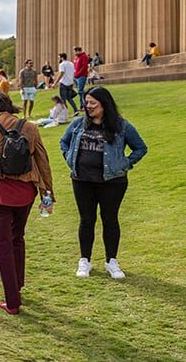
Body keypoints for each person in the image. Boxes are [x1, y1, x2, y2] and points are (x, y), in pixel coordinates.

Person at [0, 90, 53, 315]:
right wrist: (48, 192)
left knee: (3, 244)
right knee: (17, 238)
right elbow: (42, 159)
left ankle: (12, 301)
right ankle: (18, 285)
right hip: (26, 191)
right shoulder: (30, 127)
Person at [59, 86, 147, 280]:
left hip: (112, 182)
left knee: (110, 219)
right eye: (86, 102)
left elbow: (140, 148)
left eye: (92, 103)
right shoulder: (77, 125)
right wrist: (69, 158)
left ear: (104, 105)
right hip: (82, 181)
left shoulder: (122, 126)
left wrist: (125, 163)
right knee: (86, 219)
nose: (87, 106)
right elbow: (63, 142)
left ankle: (111, 261)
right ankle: (85, 260)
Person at [73, 46, 89, 111]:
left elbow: (84, 67)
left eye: (75, 51)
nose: (74, 53)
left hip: (82, 76)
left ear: (79, 51)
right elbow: (75, 67)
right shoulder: (76, 57)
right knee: (80, 92)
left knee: (80, 91)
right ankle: (82, 105)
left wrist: (77, 74)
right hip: (76, 77)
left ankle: (84, 105)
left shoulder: (84, 57)